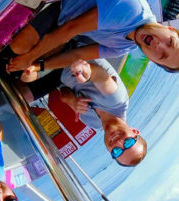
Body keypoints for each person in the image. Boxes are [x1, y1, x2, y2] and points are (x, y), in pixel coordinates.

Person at [6, 0, 179, 73]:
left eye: (161, 55)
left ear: (153, 60)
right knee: (20, 48)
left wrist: (37, 66)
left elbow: (77, 55)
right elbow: (70, 29)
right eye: (170, 42)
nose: (158, 46)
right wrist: (28, 58)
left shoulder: (125, 47)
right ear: (171, 29)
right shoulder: (132, 9)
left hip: (67, 24)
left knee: (35, 62)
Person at [16, 57, 146, 167]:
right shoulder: (117, 100)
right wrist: (85, 73)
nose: (118, 143)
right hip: (72, 55)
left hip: (59, 76)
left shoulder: (94, 123)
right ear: (134, 131)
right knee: (25, 75)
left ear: (109, 151)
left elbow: (64, 91)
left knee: (20, 97)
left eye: (117, 151)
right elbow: (97, 74)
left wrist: (72, 101)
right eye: (128, 143)